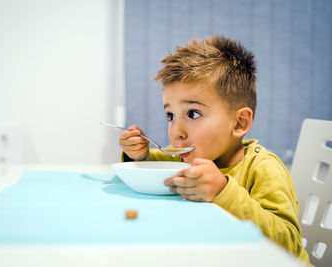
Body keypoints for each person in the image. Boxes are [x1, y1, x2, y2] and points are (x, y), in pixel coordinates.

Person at [119, 35, 310, 264]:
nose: (176, 131)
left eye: (193, 113)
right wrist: (138, 155)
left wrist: (223, 192)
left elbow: (288, 244)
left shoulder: (263, 168)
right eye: (170, 115)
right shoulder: (185, 157)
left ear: (239, 123)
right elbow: (155, 165)